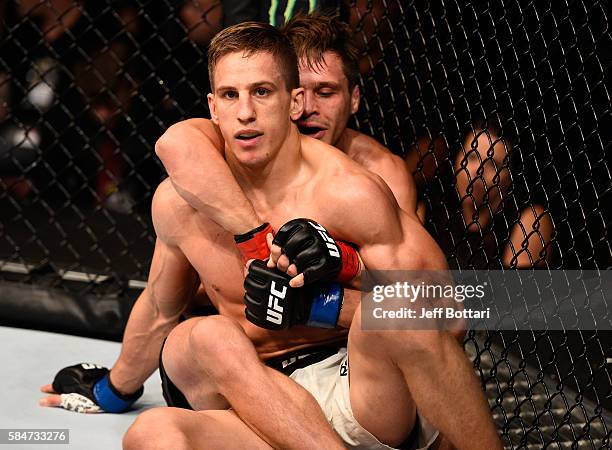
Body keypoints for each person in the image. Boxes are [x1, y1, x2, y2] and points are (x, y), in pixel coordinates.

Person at [115, 22, 501, 449]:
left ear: (291, 101)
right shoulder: (180, 200)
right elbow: (158, 307)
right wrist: (112, 389)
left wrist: (327, 293)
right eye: (230, 95)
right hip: (252, 406)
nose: (245, 112)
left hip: (354, 389)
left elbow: (448, 316)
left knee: (398, 310)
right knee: (154, 429)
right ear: (212, 106)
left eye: (261, 92)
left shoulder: (349, 190)